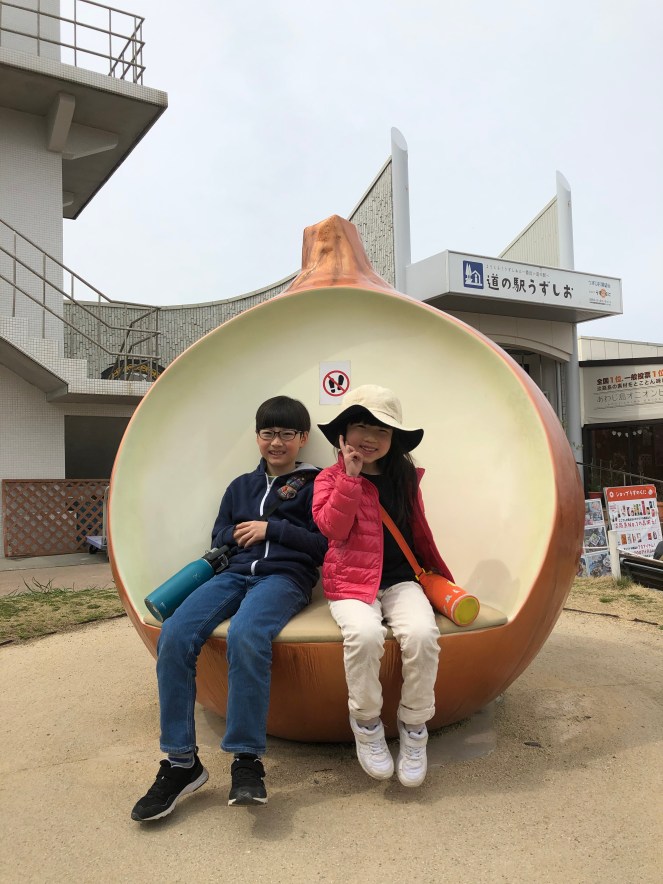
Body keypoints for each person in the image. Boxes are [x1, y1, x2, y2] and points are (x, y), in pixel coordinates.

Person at [131, 396, 327, 821]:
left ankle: (246, 760)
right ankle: (181, 763)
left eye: (286, 434)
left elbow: (323, 546)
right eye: (268, 433)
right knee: (175, 634)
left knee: (247, 635)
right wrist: (236, 532)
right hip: (233, 575)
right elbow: (218, 533)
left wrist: (272, 529)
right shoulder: (240, 486)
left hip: (284, 579)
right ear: (257, 437)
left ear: (303, 438)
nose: (276, 442)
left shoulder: (318, 484)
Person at [312, 385, 453, 788]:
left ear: (394, 439)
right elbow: (332, 529)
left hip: (402, 581)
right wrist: (350, 480)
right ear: (343, 433)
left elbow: (418, 531)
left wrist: (438, 574)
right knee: (364, 634)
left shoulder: (404, 478)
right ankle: (367, 723)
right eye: (361, 426)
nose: (371, 438)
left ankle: (414, 726)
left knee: (423, 635)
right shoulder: (328, 478)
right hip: (350, 582)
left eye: (383, 430)